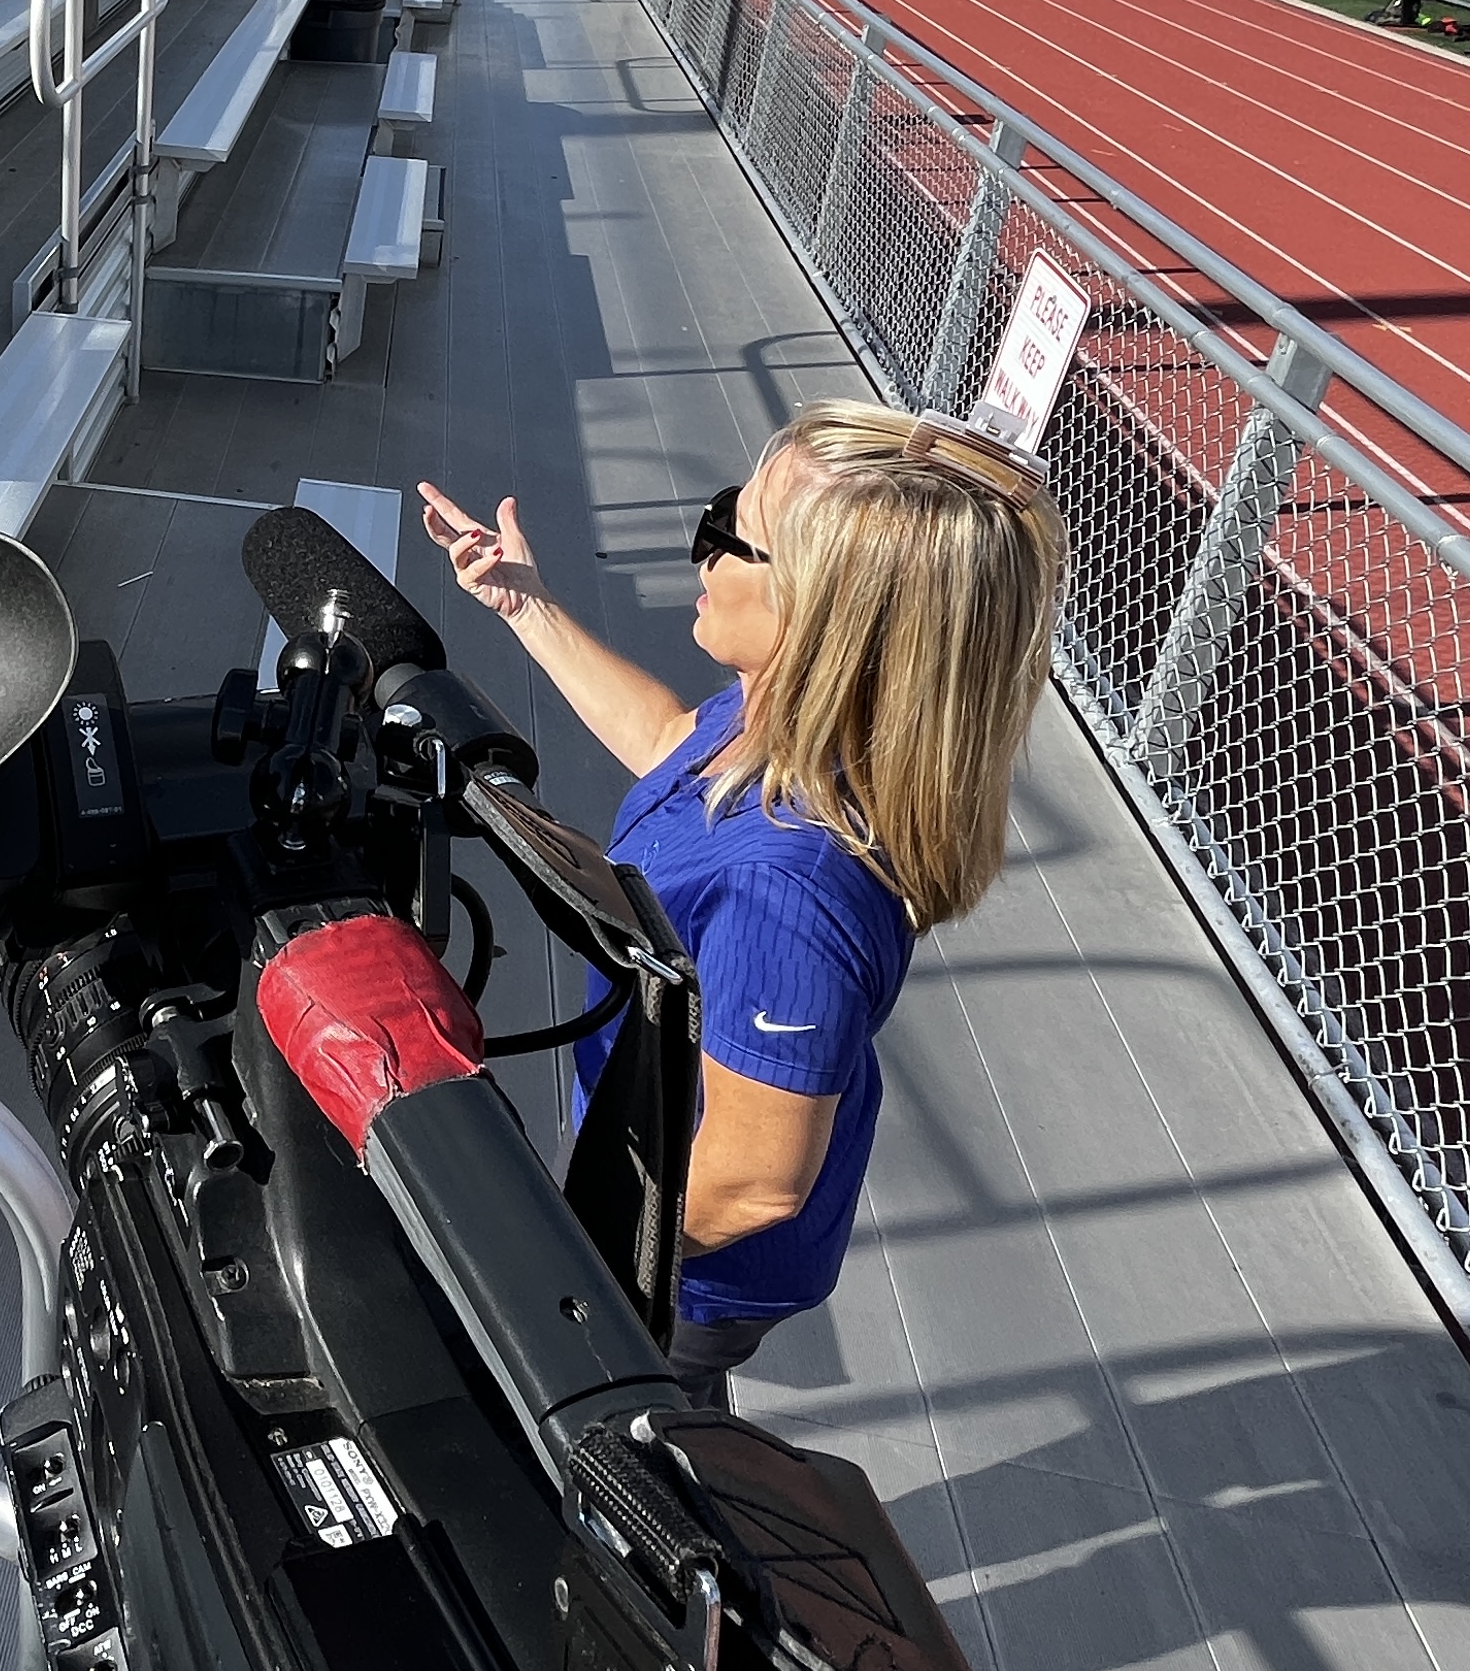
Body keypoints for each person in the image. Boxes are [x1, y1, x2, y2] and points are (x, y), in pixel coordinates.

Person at [415, 408, 1067, 1390]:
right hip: (650, 1136)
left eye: (734, 533)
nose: (703, 547)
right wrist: (527, 605)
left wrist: (572, 1257)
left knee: (627, 1424)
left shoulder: (789, 888)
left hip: (684, 1268)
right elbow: (670, 740)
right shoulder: (783, 721)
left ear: (825, 615)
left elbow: (756, 1181)